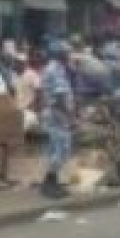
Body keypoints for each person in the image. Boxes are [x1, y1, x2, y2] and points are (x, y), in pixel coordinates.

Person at [40, 41, 76, 199]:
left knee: (57, 149)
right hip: (57, 114)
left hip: (54, 113)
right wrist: (70, 116)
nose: (69, 55)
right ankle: (49, 183)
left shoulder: (54, 68)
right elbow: (60, 96)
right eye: (67, 52)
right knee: (61, 149)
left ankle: (52, 181)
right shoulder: (56, 70)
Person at [14, 54, 42, 133]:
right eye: (16, 62)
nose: (17, 64)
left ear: (25, 63)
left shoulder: (32, 75)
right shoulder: (15, 75)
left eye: (19, 62)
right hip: (18, 109)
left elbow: (39, 91)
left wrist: (36, 107)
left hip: (29, 109)